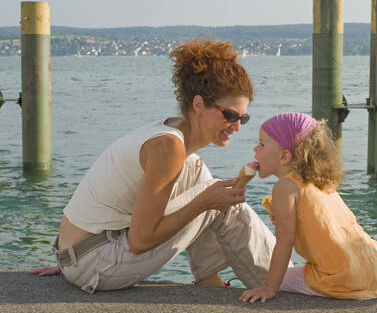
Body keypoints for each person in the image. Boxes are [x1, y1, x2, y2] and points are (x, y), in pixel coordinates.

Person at [30, 37, 276, 293]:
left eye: (243, 119)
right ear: (199, 105)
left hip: (80, 253)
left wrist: (73, 257)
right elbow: (140, 240)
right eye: (230, 115)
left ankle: (209, 280)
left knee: (197, 172)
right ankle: (280, 284)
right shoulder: (167, 148)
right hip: (94, 262)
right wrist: (206, 202)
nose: (236, 126)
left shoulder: (168, 133)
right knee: (217, 199)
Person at [239, 113, 377, 303]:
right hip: (373, 269)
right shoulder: (320, 181)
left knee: (273, 279)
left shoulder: (284, 187)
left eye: (261, 144)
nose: (255, 150)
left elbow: (284, 243)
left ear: (284, 156)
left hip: (343, 277)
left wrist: (269, 287)